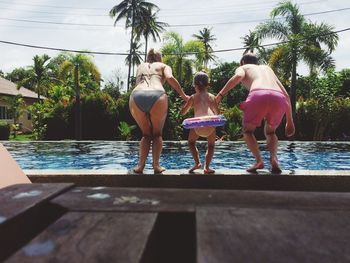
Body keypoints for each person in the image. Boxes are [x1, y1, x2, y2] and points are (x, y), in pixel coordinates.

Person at [215, 52, 295, 173]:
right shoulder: (268, 69)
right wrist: (289, 121)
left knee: (248, 131)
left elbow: (237, 77)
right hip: (278, 98)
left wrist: (220, 95)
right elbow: (286, 95)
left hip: (258, 94)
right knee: (271, 132)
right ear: (256, 63)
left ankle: (259, 161)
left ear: (242, 62)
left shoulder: (243, 67)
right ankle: (274, 158)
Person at [129, 49, 189, 174]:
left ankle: (140, 166)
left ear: (148, 58)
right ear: (160, 58)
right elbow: (170, 78)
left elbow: (137, 82)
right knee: (157, 134)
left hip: (137, 95)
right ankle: (156, 166)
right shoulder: (163, 66)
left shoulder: (140, 66)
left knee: (146, 134)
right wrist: (184, 96)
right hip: (157, 94)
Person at [181, 72, 220, 174]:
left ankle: (197, 163)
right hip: (210, 124)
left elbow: (183, 112)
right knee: (211, 145)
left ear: (195, 85)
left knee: (191, 142)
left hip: (197, 125)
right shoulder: (212, 97)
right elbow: (217, 113)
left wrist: (186, 102)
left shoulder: (193, 97)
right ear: (208, 85)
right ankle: (206, 167)